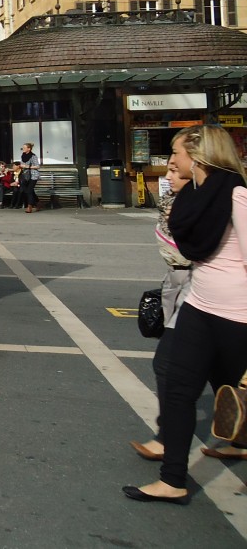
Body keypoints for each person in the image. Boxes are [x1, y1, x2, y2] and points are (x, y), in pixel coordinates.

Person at [124, 124, 247, 505]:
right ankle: (173, 479)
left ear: (197, 155)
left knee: (234, 386)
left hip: (238, 314)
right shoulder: (193, 196)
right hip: (199, 306)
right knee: (178, 389)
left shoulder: (237, 195)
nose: (171, 160)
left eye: (175, 153)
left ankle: (239, 440)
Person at [129, 152, 194, 462]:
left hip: (204, 293)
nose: (169, 168)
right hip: (180, 286)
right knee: (224, 371)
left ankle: (168, 445)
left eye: (176, 161)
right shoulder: (177, 200)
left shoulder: (223, 200)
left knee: (168, 365)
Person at [20, 142, 42, 212]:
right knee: (28, 190)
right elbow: (22, 164)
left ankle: (30, 206)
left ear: (29, 149)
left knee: (29, 190)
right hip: (26, 175)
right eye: (22, 148)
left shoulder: (33, 156)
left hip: (33, 175)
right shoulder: (23, 155)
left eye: (24, 148)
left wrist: (28, 166)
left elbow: (38, 166)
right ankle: (38, 203)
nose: (23, 149)